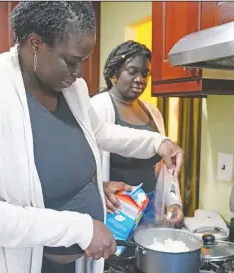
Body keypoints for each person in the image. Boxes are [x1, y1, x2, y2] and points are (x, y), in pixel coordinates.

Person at [0, 2, 184, 273]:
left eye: (83, 61)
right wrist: (79, 229)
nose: (79, 73)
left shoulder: (73, 89)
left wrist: (156, 142)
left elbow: (100, 132)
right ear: (35, 43)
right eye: (71, 61)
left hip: (76, 263)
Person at [91, 42, 183, 267]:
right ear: (114, 73)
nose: (140, 79)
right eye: (132, 71)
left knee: (145, 264)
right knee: (113, 264)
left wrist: (173, 202)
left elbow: (164, 168)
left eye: (145, 74)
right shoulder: (97, 108)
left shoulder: (152, 112)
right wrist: (98, 187)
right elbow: (82, 162)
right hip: (116, 210)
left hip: (150, 206)